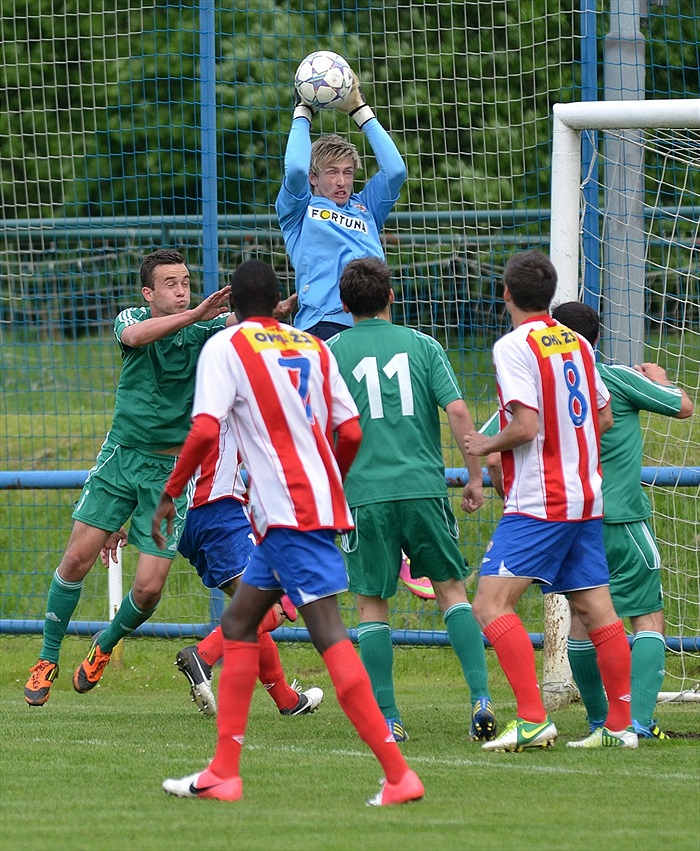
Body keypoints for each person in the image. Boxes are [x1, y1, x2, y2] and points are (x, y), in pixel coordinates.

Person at [152, 259, 424, 806]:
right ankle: (223, 771)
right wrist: (331, 480)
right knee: (238, 622)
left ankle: (399, 776)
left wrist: (171, 491)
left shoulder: (226, 347)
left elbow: (205, 427)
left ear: (231, 306)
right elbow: (349, 430)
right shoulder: (314, 347)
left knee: (328, 635)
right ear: (279, 300)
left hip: (289, 513)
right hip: (301, 509)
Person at [23, 249, 236, 706]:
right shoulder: (132, 319)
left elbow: (252, 321)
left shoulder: (208, 329)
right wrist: (197, 314)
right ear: (149, 292)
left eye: (186, 282)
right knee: (77, 558)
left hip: (171, 473)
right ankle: (47, 658)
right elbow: (138, 336)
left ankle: (104, 643)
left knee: (149, 588)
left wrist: (290, 303)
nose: (182, 291)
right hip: (121, 458)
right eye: (171, 284)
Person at [463, 249, 637, 751]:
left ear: (507, 294)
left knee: (490, 604)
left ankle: (534, 719)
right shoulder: (579, 343)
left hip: (542, 500)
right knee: (596, 609)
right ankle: (620, 729)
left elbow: (526, 426)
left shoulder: (514, 345)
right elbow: (602, 419)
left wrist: (483, 444)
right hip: (585, 494)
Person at [326, 257, 496, 743]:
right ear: (392, 297)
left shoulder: (330, 351)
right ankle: (480, 698)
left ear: (343, 305)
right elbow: (459, 410)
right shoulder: (423, 345)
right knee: (452, 592)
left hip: (365, 495)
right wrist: (475, 476)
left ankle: (388, 718)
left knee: (372, 606)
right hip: (424, 488)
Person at [550, 301, 694, 741]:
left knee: (582, 618)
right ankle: (639, 723)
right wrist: (661, 380)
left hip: (569, 521)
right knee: (647, 619)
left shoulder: (540, 382)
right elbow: (683, 407)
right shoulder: (615, 377)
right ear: (596, 339)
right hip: (621, 519)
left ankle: (600, 722)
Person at [275, 67, 406, 340]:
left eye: (348, 172)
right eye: (332, 172)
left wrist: (360, 110)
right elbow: (296, 170)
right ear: (314, 177)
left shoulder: (366, 207)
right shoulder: (299, 210)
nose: (342, 181)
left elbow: (395, 172)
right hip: (321, 324)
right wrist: (303, 111)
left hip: (373, 322)